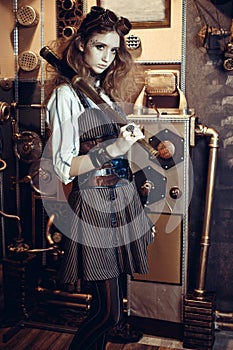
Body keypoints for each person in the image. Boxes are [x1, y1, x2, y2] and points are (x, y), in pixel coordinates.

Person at [44, 6, 154, 350]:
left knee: (112, 312)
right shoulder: (66, 96)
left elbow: (116, 155)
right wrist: (115, 147)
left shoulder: (103, 96)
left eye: (113, 49)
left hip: (119, 203)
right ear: (80, 46)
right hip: (92, 208)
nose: (107, 56)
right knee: (107, 314)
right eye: (99, 46)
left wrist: (134, 172)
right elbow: (65, 168)